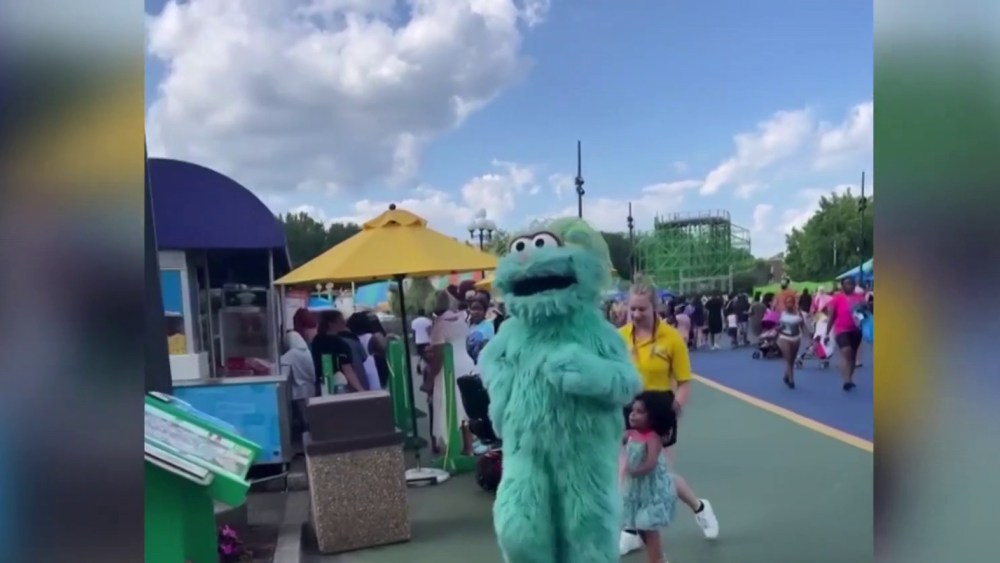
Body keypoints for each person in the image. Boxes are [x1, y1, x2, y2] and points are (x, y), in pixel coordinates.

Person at [619, 282, 720, 556]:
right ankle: (631, 529)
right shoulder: (620, 337)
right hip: (630, 408)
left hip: (661, 409)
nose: (636, 314)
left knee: (659, 477)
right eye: (632, 308)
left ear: (655, 307)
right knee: (627, 471)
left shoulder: (671, 338)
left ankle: (700, 507)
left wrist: (672, 410)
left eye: (642, 309)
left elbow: (684, 382)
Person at [621, 392, 679, 563]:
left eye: (639, 412)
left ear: (653, 418)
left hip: (652, 490)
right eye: (632, 411)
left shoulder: (652, 438)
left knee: (649, 527)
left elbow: (650, 463)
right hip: (636, 489)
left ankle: (655, 559)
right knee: (640, 526)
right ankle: (658, 558)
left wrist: (632, 471)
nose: (633, 415)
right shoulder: (630, 434)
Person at [424, 289, 475, 454]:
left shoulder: (439, 326)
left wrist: (430, 380)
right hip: (466, 364)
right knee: (465, 406)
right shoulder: (461, 320)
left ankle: (449, 448)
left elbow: (438, 358)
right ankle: (468, 446)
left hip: (449, 368)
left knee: (448, 405)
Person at [824, 277, 866, 391]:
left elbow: (864, 314)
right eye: (847, 284)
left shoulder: (859, 298)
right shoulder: (837, 298)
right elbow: (832, 317)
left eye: (851, 284)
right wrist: (827, 333)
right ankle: (846, 380)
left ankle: (850, 379)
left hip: (856, 330)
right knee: (847, 352)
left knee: (853, 356)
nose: (849, 286)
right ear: (842, 286)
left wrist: (865, 309)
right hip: (841, 330)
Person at [311, 311, 364, 394]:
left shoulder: (316, 340)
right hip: (337, 385)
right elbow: (348, 370)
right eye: (341, 321)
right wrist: (360, 390)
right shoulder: (340, 344)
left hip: (320, 385)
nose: (344, 323)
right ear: (330, 324)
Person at [281, 329, 316, 437]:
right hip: (310, 386)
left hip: (299, 388)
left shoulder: (293, 353)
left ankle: (305, 434)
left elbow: (279, 362)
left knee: (302, 414)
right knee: (309, 412)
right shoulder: (307, 352)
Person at [347, 312, 385, 391]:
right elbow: (383, 348)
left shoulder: (351, 338)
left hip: (357, 370)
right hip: (371, 369)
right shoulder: (371, 337)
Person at [776, 292, 806, 389]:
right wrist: (778, 328)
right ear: (785, 303)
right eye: (787, 302)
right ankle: (791, 380)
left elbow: (803, 326)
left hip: (796, 338)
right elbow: (779, 326)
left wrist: (808, 335)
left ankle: (786, 375)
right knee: (788, 359)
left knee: (792, 360)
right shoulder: (782, 313)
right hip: (784, 338)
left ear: (794, 303)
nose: (789, 304)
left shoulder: (799, 313)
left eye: (791, 302)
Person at [465, 298, 495, 363]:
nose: (476, 312)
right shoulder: (465, 326)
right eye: (473, 309)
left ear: (485, 311)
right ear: (469, 310)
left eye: (480, 309)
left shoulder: (488, 326)